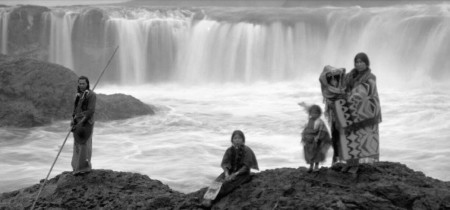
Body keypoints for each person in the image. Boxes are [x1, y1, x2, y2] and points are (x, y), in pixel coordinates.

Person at [342, 52, 382, 173]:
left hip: (367, 111)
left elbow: (364, 91)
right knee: (350, 137)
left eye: (361, 62)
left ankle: (359, 165)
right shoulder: (350, 76)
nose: (359, 64)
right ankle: (350, 162)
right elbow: (342, 86)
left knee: (365, 137)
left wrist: (349, 96)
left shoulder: (371, 77)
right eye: (357, 62)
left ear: (366, 63)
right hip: (352, 109)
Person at [202, 130, 259, 207]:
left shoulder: (247, 150)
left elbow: (246, 166)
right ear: (232, 140)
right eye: (235, 138)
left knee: (227, 184)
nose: (237, 140)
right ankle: (207, 199)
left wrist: (235, 174)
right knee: (217, 181)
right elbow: (225, 163)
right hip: (231, 171)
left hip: (242, 174)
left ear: (243, 140)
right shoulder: (229, 150)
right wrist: (226, 173)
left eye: (239, 138)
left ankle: (211, 201)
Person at [318, 66, 346, 165]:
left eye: (336, 78)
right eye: (331, 79)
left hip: (343, 117)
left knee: (342, 135)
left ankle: (343, 157)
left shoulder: (343, 89)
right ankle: (336, 156)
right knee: (335, 135)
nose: (334, 81)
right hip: (334, 117)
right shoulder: (328, 92)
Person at [71, 76, 96, 175]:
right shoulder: (78, 95)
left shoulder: (91, 95)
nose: (81, 85)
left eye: (83, 84)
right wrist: (73, 121)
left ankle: (85, 168)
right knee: (77, 145)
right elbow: (75, 109)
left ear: (87, 84)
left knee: (85, 144)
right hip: (77, 121)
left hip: (87, 122)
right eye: (80, 83)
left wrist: (81, 122)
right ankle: (76, 167)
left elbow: (91, 111)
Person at [299, 104, 331, 173]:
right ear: (310, 113)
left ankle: (316, 167)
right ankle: (311, 166)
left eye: (316, 113)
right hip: (309, 141)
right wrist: (304, 137)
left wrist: (319, 138)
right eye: (313, 113)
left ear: (319, 114)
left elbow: (323, 131)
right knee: (310, 154)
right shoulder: (308, 121)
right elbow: (305, 130)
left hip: (316, 141)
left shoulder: (320, 122)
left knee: (317, 154)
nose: (314, 114)